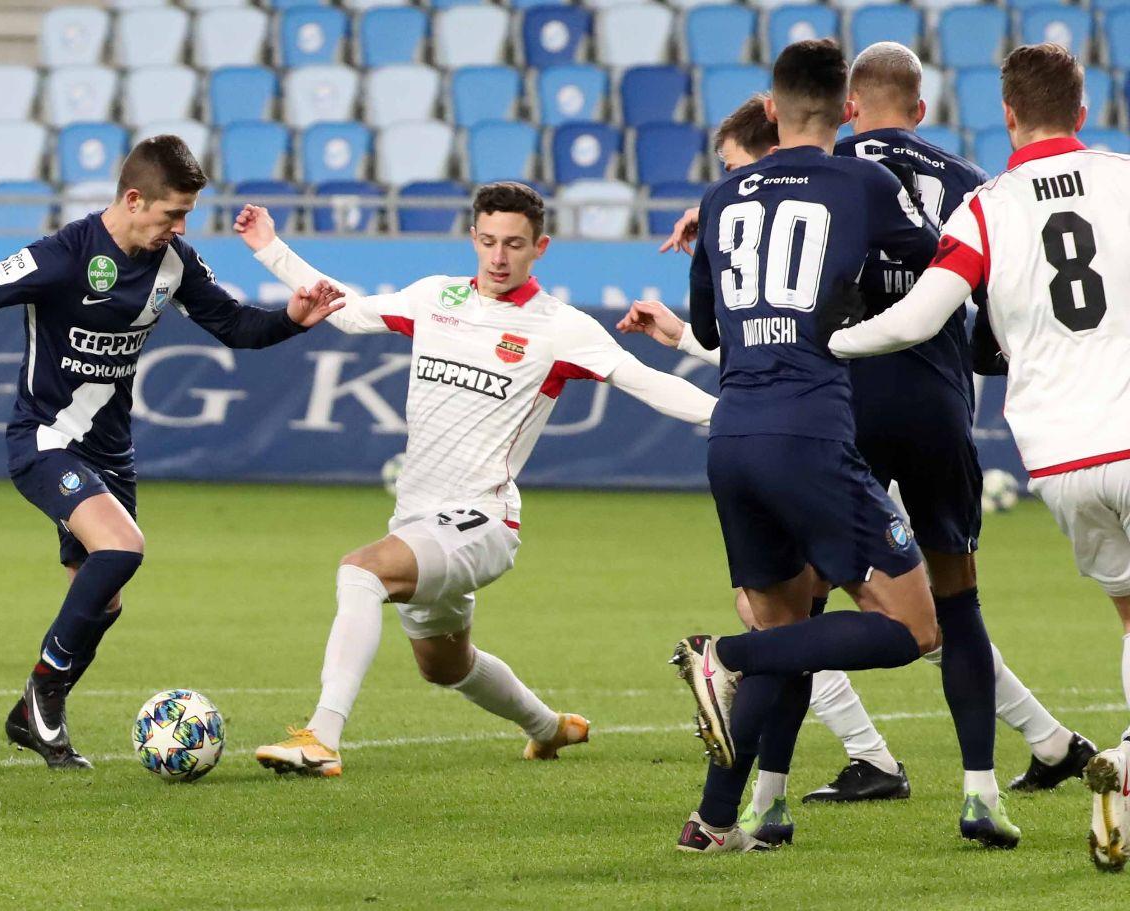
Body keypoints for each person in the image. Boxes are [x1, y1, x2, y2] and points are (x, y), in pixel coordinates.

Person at [0, 136, 345, 770]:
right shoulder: (62, 256)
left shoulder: (174, 262)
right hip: (46, 440)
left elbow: (234, 326)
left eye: (186, 216)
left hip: (112, 454)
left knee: (104, 598)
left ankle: (32, 720)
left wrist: (290, 318)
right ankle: (42, 692)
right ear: (133, 199)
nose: (180, 228)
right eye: (172, 214)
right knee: (122, 548)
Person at [669, 38, 1025, 855]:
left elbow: (707, 329)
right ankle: (723, 655)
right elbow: (937, 266)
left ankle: (717, 820)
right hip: (823, 429)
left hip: (733, 436)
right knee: (920, 624)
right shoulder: (868, 183)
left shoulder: (721, 197)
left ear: (769, 109)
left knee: (791, 623)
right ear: (844, 110)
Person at [232, 182, 718, 778]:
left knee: (362, 570)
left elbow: (645, 380)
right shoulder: (435, 297)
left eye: (513, 244)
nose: (498, 257)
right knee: (444, 665)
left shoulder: (560, 327)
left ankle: (322, 738)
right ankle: (549, 727)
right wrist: (270, 248)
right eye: (488, 241)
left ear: (540, 247)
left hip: (483, 520)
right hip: (418, 519)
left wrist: (732, 417)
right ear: (473, 238)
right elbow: (350, 313)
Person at [829, 42, 1130, 873]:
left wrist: (831, 340)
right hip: (1114, 425)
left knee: (1128, 609)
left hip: (1058, 458)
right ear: (1082, 111)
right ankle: (1112, 763)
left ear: (1007, 114)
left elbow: (917, 318)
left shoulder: (985, 207)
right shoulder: (1118, 178)